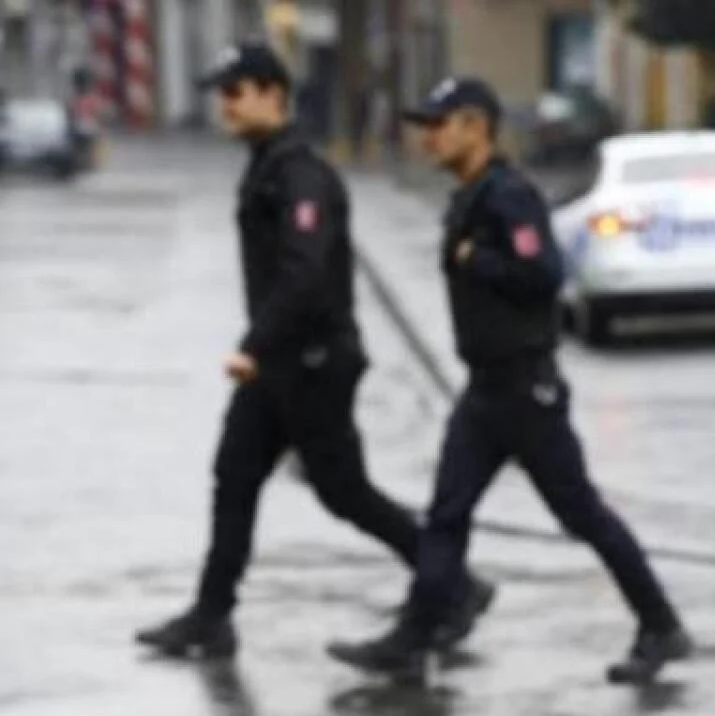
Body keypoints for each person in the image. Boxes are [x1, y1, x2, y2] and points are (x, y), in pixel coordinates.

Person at [326, 77, 691, 683]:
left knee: (580, 513)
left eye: (440, 125)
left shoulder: (509, 196)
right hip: (486, 391)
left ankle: (660, 624)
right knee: (447, 513)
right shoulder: (470, 196)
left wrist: (480, 259)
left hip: (525, 392)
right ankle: (415, 636)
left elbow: (544, 273)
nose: (429, 138)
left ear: (476, 126)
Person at [133, 43, 491, 659]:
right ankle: (212, 616)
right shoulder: (268, 165)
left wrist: (254, 344)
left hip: (313, 362)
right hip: (279, 363)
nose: (225, 105)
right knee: (235, 476)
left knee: (344, 492)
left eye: (236, 92)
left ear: (273, 94)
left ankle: (455, 582)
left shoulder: (301, 175)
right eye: (221, 94)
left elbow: (305, 273)